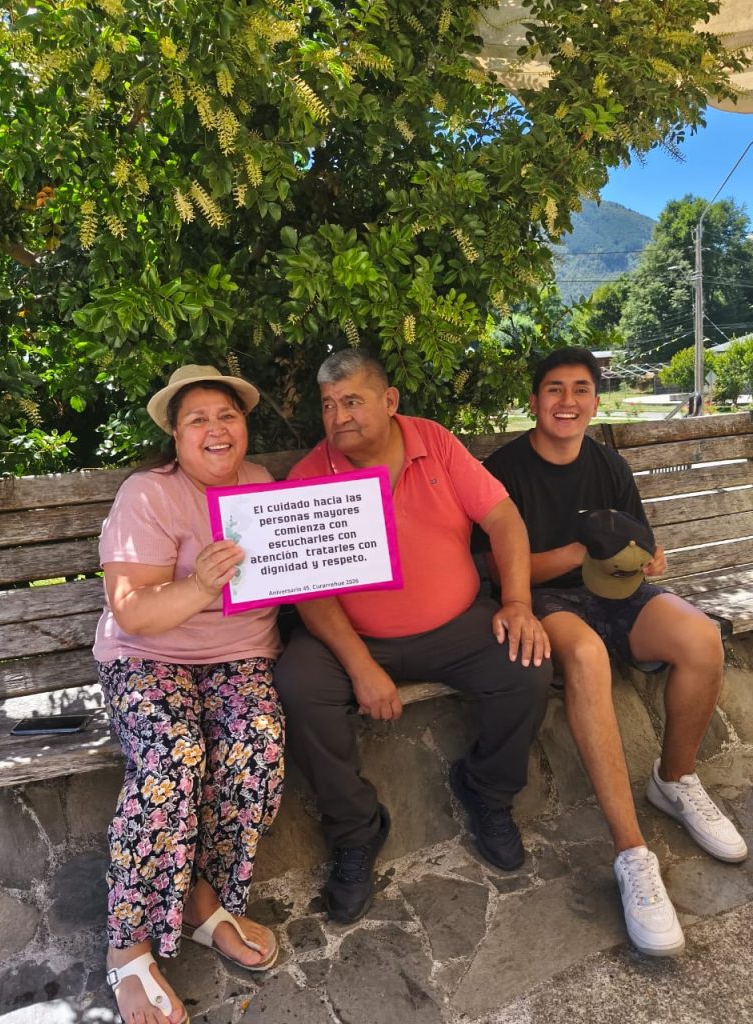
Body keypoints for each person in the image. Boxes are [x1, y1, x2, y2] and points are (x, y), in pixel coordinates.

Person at [477, 346, 747, 957]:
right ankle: (631, 852)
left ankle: (673, 780)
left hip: (617, 591)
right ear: (534, 401)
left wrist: (651, 558)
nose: (567, 401)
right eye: (554, 389)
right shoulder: (505, 470)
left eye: (580, 389)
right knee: (589, 655)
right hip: (544, 600)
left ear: (595, 401)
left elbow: (638, 540)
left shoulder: (609, 464)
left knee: (701, 637)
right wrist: (578, 552)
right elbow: (497, 569)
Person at [273, 349, 552, 925]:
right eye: (328, 405)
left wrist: (518, 604)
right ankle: (355, 831)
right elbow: (310, 591)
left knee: (525, 665)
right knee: (298, 685)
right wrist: (361, 666)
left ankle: (487, 793)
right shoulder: (310, 476)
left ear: (390, 401)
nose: (339, 417)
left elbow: (502, 518)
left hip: (456, 625)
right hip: (353, 637)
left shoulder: (435, 443)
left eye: (352, 401)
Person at [94, 365, 285, 1024]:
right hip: (148, 659)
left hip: (238, 659)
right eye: (197, 419)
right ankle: (128, 945)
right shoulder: (148, 494)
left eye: (226, 415)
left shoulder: (261, 486)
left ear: (244, 426)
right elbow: (131, 611)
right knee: (172, 758)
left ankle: (204, 901)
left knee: (256, 751)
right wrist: (201, 585)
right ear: (175, 437)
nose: (215, 428)